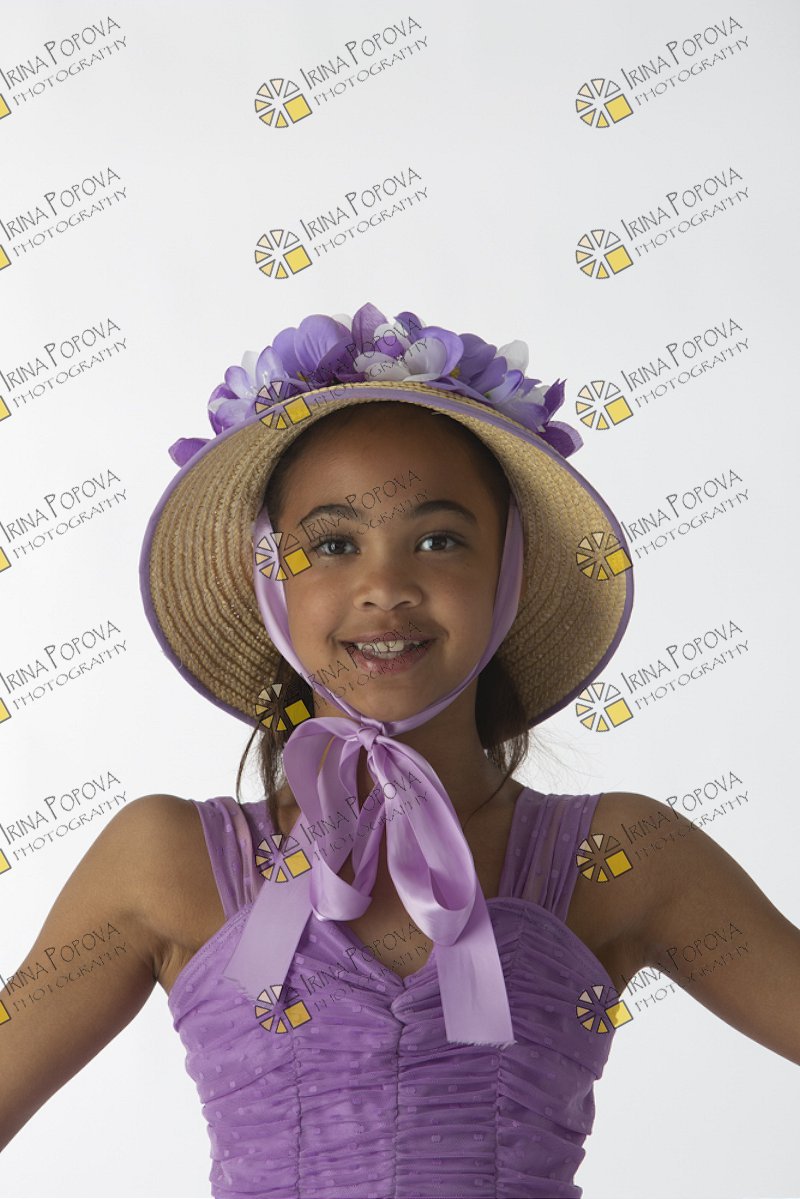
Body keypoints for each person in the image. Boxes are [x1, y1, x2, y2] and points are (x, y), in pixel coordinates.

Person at [1, 302, 798, 1199]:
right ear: (271, 583)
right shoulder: (163, 860)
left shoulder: (619, 857)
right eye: (334, 544)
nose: (385, 586)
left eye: (440, 539)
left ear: (509, 574)